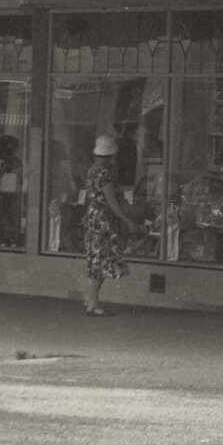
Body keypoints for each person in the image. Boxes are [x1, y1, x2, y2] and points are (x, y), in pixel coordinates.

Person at [82, 134, 138, 316]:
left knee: (95, 258)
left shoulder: (91, 171)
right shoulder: (105, 175)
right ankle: (93, 302)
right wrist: (127, 221)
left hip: (92, 217)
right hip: (103, 220)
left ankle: (90, 298)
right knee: (102, 259)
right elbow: (112, 202)